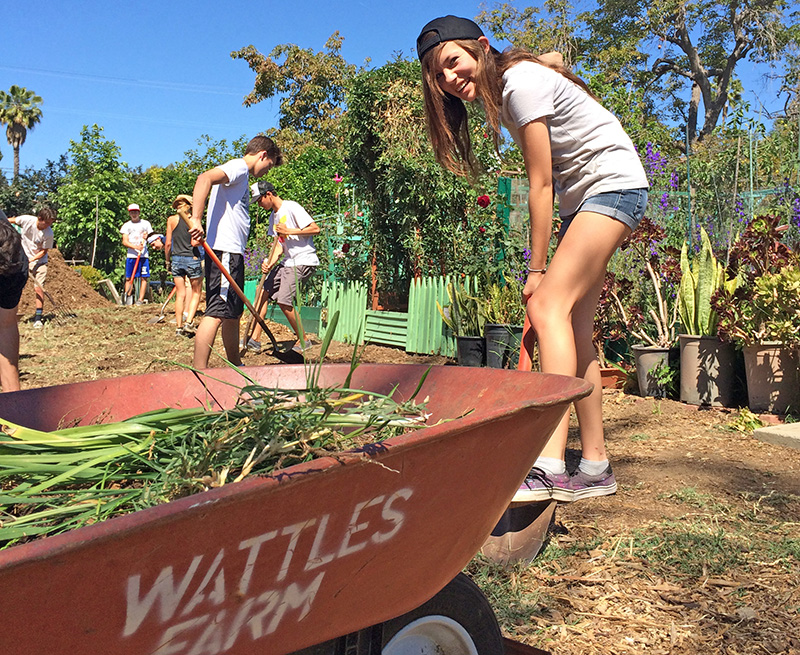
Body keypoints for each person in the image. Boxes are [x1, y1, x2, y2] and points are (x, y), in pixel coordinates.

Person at [417, 16, 649, 503]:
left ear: (481, 47)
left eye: (453, 62)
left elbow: (539, 186)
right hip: (591, 197)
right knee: (575, 331)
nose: (449, 79)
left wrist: (536, 269)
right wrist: (550, 62)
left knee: (546, 307)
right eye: (438, 74)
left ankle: (546, 463)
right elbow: (553, 62)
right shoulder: (516, 78)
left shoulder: (518, 86)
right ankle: (594, 466)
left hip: (611, 188)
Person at [187, 135, 283, 369]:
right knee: (217, 311)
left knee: (231, 313)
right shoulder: (239, 167)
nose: (266, 172)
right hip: (225, 252)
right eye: (268, 166)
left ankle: (236, 366)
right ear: (262, 155)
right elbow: (204, 178)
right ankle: (199, 373)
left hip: (232, 254)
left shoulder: (241, 176)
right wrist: (196, 219)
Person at [245, 181, 320, 354]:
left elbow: (315, 229)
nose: (259, 204)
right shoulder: (274, 217)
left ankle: (304, 340)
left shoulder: (291, 207)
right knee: (261, 292)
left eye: (259, 200)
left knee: (284, 300)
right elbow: (279, 244)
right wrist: (269, 263)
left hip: (303, 260)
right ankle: (255, 340)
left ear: (269, 194)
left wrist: (290, 232)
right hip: (287, 262)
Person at [8, 207, 56, 328]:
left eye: (51, 223)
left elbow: (44, 252)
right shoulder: (26, 220)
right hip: (22, 259)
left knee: (39, 288)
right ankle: (11, 316)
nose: (49, 225)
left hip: (40, 262)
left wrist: (31, 260)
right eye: (47, 222)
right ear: (40, 219)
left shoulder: (48, 233)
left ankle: (38, 318)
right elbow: (11, 220)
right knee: (16, 286)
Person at [165, 195, 203, 336]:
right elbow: (195, 242)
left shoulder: (171, 220)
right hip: (191, 258)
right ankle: (189, 322)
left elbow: (168, 243)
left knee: (180, 294)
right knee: (196, 292)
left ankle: (179, 327)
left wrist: (168, 260)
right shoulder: (193, 221)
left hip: (176, 259)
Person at [0, 209, 28, 391]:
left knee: (6, 321)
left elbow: (6, 325)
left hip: (11, 268)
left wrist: (14, 402)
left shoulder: (15, 265)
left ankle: (12, 396)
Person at [120, 203, 153, 305]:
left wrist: (146, 236)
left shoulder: (146, 224)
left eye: (136, 212)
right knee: (129, 278)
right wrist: (136, 247)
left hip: (143, 256)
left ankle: (140, 300)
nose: (134, 214)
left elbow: (150, 235)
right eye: (132, 212)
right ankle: (128, 298)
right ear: (129, 213)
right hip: (132, 256)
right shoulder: (126, 226)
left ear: (139, 212)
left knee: (144, 277)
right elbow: (124, 241)